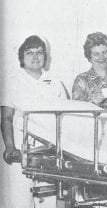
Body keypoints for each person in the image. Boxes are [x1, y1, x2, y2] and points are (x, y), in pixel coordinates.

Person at [0, 35, 68, 207]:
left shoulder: (55, 83)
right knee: (20, 201)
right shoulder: (12, 83)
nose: (35, 57)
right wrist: (9, 147)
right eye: (29, 52)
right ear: (22, 57)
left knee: (49, 202)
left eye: (39, 52)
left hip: (49, 153)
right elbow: (6, 117)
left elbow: (66, 119)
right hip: (20, 153)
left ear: (46, 56)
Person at [72, 32, 107, 111]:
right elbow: (76, 113)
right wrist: (93, 102)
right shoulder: (81, 80)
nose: (101, 57)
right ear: (89, 57)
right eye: (96, 54)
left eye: (104, 52)